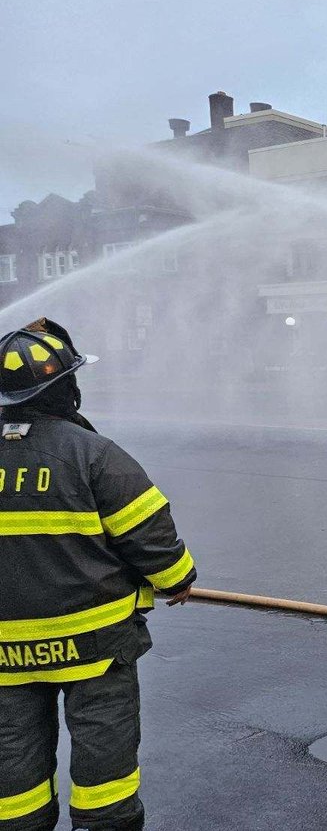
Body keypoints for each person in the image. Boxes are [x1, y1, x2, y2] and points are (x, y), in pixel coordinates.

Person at [0, 318, 196, 831]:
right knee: (104, 767)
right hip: (95, 648)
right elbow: (150, 535)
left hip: (3, 657)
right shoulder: (93, 455)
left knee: (11, 777)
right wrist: (178, 580)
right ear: (65, 387)